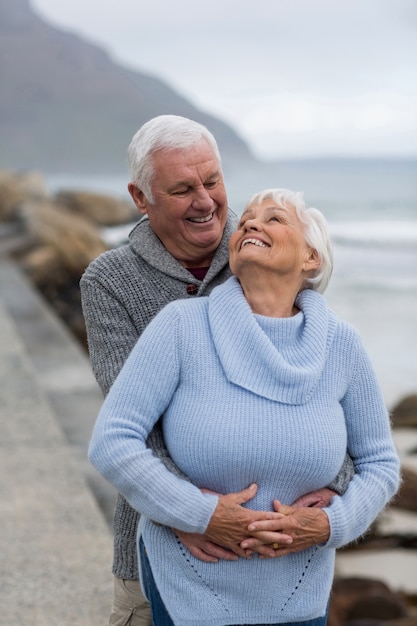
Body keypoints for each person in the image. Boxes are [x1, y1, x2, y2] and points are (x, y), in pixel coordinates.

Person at [80, 116, 354, 626]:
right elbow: (131, 423)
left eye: (212, 181)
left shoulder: (266, 250)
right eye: (182, 189)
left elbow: (321, 386)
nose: (205, 201)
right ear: (141, 198)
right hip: (162, 543)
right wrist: (193, 512)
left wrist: (335, 484)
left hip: (279, 560)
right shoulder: (111, 281)